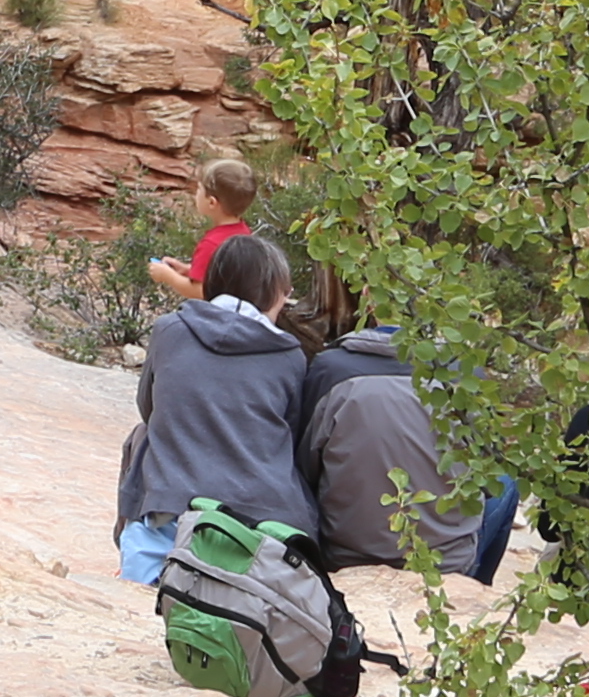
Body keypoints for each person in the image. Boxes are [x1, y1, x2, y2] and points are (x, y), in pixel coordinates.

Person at [114, 231, 319, 582]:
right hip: (258, 517)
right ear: (273, 293)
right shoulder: (288, 355)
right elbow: (292, 432)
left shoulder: (169, 330)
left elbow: (149, 406)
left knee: (145, 436)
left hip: (171, 506)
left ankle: (140, 565)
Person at [299, 301, 501, 580]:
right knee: (506, 485)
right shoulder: (467, 373)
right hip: (447, 560)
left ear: (369, 298)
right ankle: (477, 588)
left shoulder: (329, 370)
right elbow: (486, 476)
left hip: (345, 554)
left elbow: (304, 468)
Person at [147, 153, 268, 302]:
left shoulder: (212, 244)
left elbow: (200, 291)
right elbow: (224, 280)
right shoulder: (244, 233)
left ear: (212, 202)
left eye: (199, 189)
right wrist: (187, 270)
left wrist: (168, 276)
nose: (196, 194)